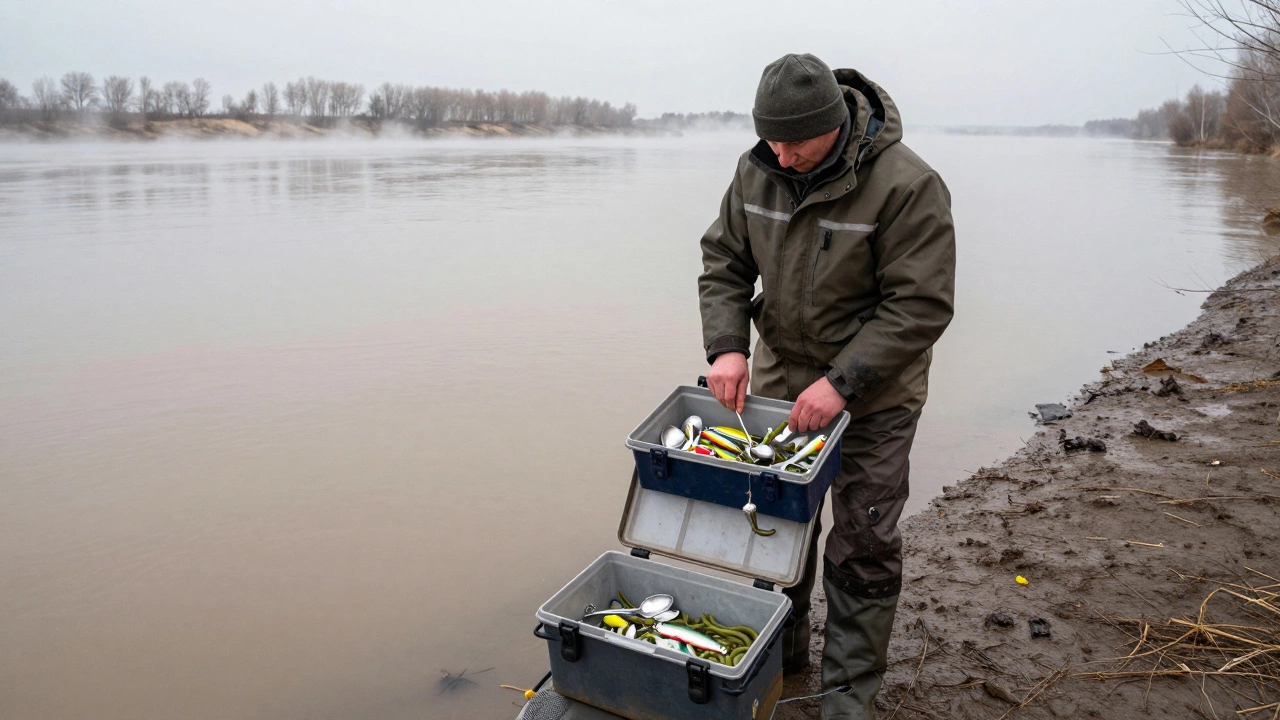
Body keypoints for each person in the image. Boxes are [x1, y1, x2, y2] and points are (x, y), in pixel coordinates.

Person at [698, 53, 955, 719]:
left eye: (795, 143)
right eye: (771, 140)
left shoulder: (908, 184)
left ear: (834, 124)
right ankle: (778, 667)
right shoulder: (758, 169)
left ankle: (847, 701)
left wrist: (841, 385)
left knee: (863, 542)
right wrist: (726, 348)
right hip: (783, 380)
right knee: (774, 530)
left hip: (876, 395)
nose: (781, 157)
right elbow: (724, 261)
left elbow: (920, 307)